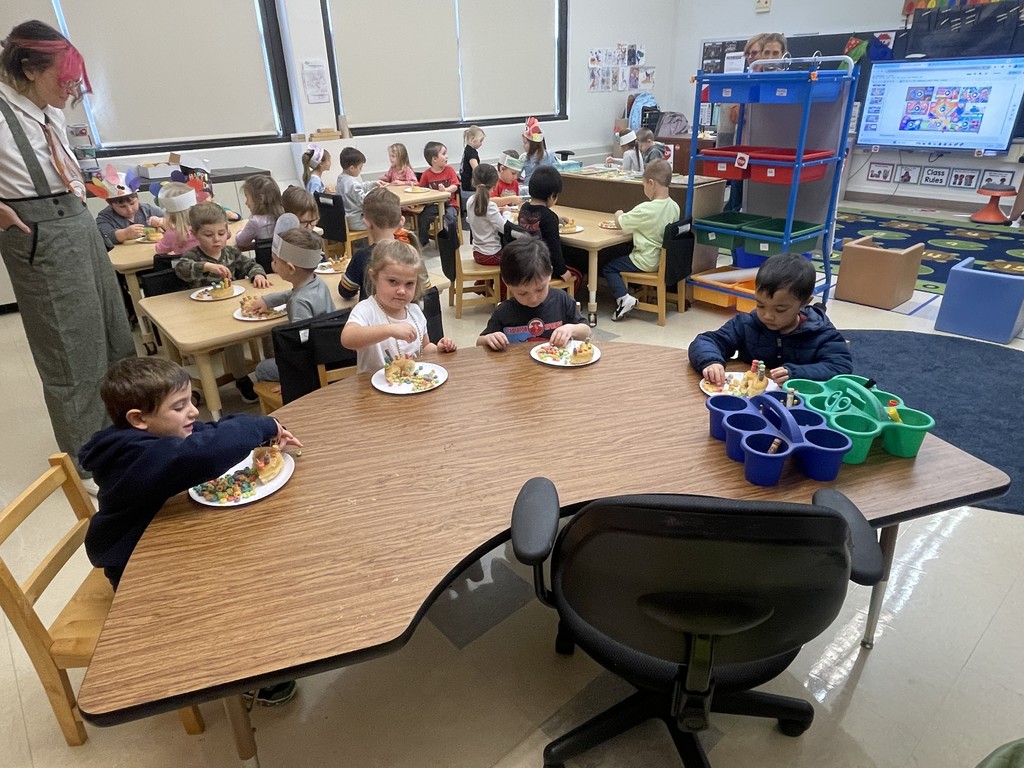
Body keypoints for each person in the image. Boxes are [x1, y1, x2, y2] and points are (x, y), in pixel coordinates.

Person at [79, 356, 302, 706]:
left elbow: (204, 433)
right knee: (233, 594)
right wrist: (265, 425)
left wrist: (255, 433)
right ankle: (228, 672)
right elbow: (200, 453)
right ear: (138, 419)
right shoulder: (134, 457)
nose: (193, 412)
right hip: (138, 572)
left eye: (191, 401)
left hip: (164, 548)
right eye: (180, 406)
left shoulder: (153, 432)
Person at [0, 20, 135, 483]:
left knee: (111, 333)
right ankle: (90, 463)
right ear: (32, 68)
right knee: (70, 352)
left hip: (77, 222)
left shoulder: (49, 111)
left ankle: (124, 436)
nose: (73, 87)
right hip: (37, 233)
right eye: (65, 76)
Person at [688, 252, 852, 386]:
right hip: (750, 399)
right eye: (760, 305)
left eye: (780, 309)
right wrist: (711, 362)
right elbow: (706, 341)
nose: (767, 315)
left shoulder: (820, 332)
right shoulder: (747, 323)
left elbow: (841, 366)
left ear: (804, 302)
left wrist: (797, 373)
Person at [175, 201, 270, 403]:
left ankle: (272, 367)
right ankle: (241, 377)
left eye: (220, 233)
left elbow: (250, 264)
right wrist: (206, 266)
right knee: (233, 340)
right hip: (204, 314)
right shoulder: (193, 256)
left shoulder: (231, 253)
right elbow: (181, 269)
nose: (216, 240)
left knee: (267, 327)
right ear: (195, 234)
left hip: (231, 309)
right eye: (208, 235)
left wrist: (257, 274)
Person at [340, 239, 456, 373]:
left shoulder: (415, 311)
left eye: (409, 284)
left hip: (410, 386)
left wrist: (438, 349)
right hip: (372, 388)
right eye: (393, 282)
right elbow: (347, 339)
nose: (401, 291)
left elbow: (424, 347)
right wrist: (389, 330)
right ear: (374, 277)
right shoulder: (367, 309)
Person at [252, 215, 334, 382]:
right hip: (330, 352)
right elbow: (292, 294)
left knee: (260, 369)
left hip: (313, 366)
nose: (272, 264)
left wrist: (291, 380)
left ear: (290, 268)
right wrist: (268, 300)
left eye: (275, 261)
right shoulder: (318, 283)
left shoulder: (299, 303)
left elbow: (300, 346)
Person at [601, 160, 680, 320]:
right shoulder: (674, 206)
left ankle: (624, 298)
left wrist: (618, 214)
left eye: (643, 185)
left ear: (651, 183)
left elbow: (621, 223)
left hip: (645, 260)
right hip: (663, 260)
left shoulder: (646, 209)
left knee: (609, 267)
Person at [477, 238, 590, 349]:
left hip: (556, 364)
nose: (533, 299)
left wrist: (571, 329)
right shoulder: (504, 311)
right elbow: (479, 342)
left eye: (540, 289)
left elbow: (586, 331)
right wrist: (489, 339)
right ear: (506, 283)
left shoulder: (562, 299)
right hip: (517, 365)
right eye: (522, 293)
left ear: (550, 273)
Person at [339, 187, 430, 301]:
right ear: (402, 221)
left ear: (367, 223)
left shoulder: (362, 256)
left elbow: (346, 291)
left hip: (372, 318)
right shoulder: (412, 251)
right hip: (406, 317)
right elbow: (425, 288)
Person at [517, 165, 582, 292]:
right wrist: (562, 271)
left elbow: (537, 221)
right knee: (578, 274)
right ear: (552, 196)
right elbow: (554, 248)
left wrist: (557, 219)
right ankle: (564, 300)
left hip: (525, 261)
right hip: (543, 265)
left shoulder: (524, 208)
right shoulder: (549, 217)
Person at [94, 174, 165, 250]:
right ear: (110, 204)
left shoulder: (147, 209)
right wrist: (125, 234)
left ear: (138, 198)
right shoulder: (105, 217)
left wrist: (162, 222)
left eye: (132, 203)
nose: (129, 209)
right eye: (122, 206)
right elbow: (105, 236)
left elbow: (174, 222)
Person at [468, 163, 516, 266]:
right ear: (495, 185)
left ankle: (482, 281)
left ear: (474, 181)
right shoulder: (490, 206)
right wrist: (506, 212)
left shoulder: (470, 201)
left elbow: (476, 218)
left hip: (477, 253)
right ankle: (503, 282)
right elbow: (505, 229)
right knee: (516, 258)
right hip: (491, 255)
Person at [416, 140, 460, 246]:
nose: (447, 156)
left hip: (450, 204)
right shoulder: (426, 174)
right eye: (444, 154)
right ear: (434, 159)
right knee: (423, 218)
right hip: (434, 205)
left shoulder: (450, 170)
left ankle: (450, 241)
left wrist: (446, 190)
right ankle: (423, 241)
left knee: (450, 218)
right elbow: (421, 189)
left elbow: (455, 186)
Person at [235, 174, 284, 249]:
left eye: (247, 198)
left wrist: (239, 232)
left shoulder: (255, 222)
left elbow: (241, 241)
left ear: (260, 199)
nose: (246, 203)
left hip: (263, 260)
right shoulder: (283, 217)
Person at [153, 182, 199, 256]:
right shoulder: (204, 229)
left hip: (185, 266)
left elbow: (160, 250)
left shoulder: (172, 234)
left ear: (171, 216)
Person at [336, 145, 374, 233]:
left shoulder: (341, 179)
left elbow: (359, 187)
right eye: (360, 167)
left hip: (346, 220)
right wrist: (374, 191)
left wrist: (373, 184)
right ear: (352, 168)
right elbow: (364, 200)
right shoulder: (352, 183)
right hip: (357, 221)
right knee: (380, 223)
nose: (361, 170)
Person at [520, 116, 556, 186]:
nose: (523, 145)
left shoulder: (524, 157)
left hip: (529, 189)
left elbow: (515, 176)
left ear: (533, 144)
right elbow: (557, 173)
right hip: (547, 188)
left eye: (525, 143)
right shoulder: (550, 154)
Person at [460, 125, 485, 193]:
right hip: (470, 185)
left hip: (465, 183)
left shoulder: (467, 150)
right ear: (472, 139)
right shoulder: (471, 153)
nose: (481, 144)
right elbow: (476, 169)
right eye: (480, 141)